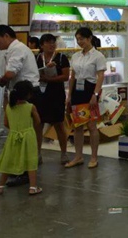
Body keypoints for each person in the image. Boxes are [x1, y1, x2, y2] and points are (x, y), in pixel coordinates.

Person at [0, 25, 40, 187]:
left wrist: (2, 80)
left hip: (26, 94)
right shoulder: (12, 50)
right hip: (20, 94)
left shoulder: (17, 49)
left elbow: (10, 73)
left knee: (23, 133)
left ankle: (25, 171)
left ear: (6, 36)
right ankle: (24, 166)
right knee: (19, 132)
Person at [65, 27, 107, 169]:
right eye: (77, 39)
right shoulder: (75, 56)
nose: (79, 42)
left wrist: (95, 94)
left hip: (90, 90)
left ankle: (94, 157)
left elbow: (100, 76)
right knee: (77, 126)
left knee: (92, 125)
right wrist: (69, 95)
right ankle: (78, 156)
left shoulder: (98, 56)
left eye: (82, 39)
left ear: (89, 38)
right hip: (77, 91)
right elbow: (72, 77)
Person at [0, 81, 42, 195]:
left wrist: (15, 129)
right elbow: (38, 121)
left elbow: (6, 123)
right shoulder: (31, 107)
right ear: (28, 94)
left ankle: (0, 186)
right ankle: (33, 187)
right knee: (31, 161)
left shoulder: (9, 107)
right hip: (28, 137)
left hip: (13, 136)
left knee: (8, 160)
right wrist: (28, 127)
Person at [34, 33, 70, 165]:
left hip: (56, 94)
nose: (51, 45)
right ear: (41, 45)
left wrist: (49, 79)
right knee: (38, 124)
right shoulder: (36, 58)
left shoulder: (61, 58)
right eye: (48, 42)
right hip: (40, 94)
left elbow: (66, 76)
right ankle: (37, 153)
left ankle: (64, 153)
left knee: (59, 124)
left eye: (53, 42)